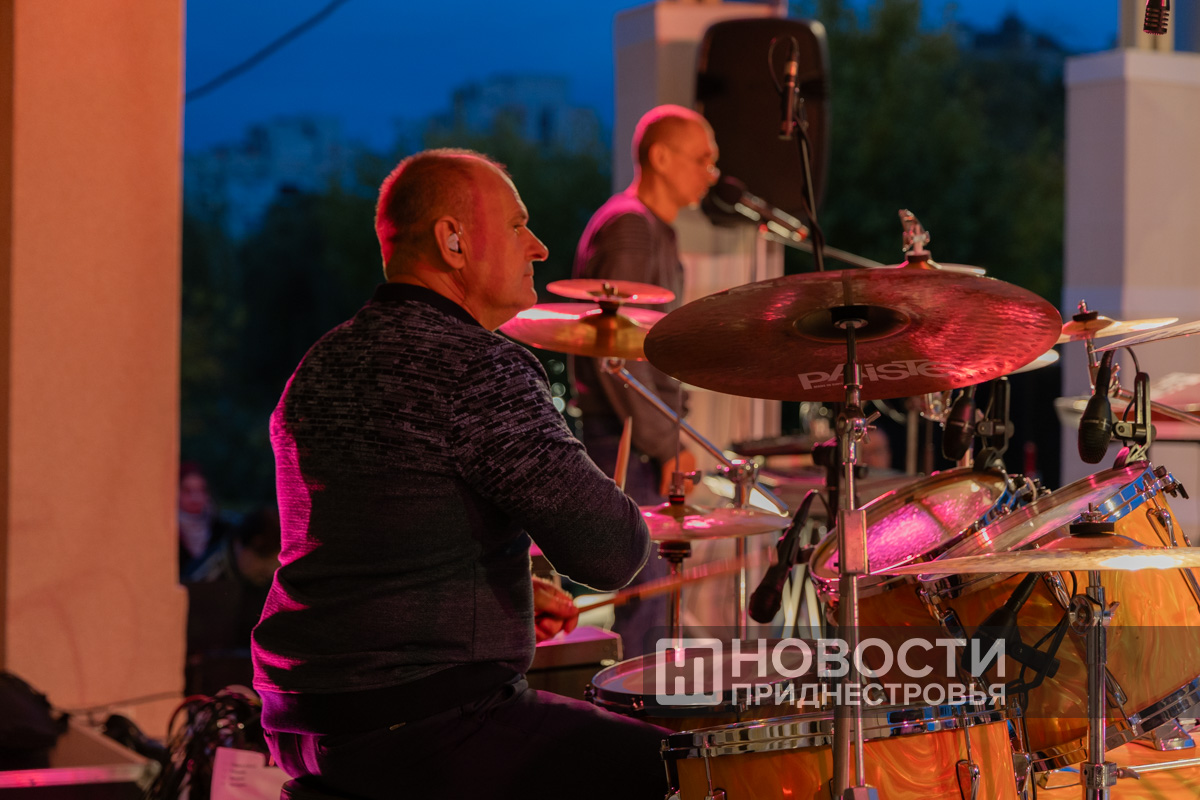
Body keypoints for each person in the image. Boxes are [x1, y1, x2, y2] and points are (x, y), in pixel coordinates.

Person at [251, 149, 668, 799]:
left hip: (302, 716)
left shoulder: (322, 362)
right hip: (426, 721)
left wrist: (507, 594)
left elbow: (376, 542)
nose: (539, 246)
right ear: (453, 241)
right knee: (681, 771)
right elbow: (611, 552)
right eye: (517, 224)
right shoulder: (477, 364)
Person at [572, 105, 719, 655]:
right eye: (702, 159)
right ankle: (638, 704)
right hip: (627, 439)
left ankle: (647, 696)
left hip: (640, 436)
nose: (711, 174)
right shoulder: (631, 226)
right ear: (660, 157)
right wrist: (667, 444)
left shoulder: (651, 226)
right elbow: (620, 353)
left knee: (654, 594)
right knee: (647, 593)